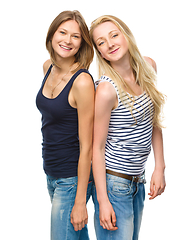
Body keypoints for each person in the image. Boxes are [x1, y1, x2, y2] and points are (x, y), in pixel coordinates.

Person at [90, 15, 166, 240]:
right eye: (101, 42)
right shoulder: (106, 90)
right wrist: (103, 201)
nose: (110, 43)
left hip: (137, 182)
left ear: (126, 36)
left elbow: (153, 121)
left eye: (114, 35)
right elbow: (98, 148)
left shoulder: (148, 66)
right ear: (100, 53)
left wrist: (159, 167)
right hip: (114, 185)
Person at [36, 10, 95, 240]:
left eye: (76, 36)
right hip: (51, 171)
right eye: (62, 32)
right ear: (52, 35)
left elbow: (87, 145)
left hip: (72, 178)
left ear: (81, 44)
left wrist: (80, 200)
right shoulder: (47, 67)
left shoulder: (81, 81)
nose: (67, 40)